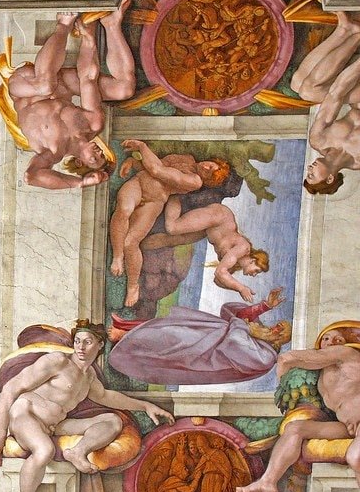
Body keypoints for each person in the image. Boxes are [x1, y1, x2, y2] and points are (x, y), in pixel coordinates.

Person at [0, 321, 173, 492]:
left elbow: (106, 397)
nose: (81, 347)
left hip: (54, 425)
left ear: (100, 345)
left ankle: (78, 451)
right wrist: (0, 433)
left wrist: (145, 406)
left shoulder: (89, 377)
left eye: (87, 342)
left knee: (112, 421)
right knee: (45, 450)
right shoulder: (58, 361)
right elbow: (10, 389)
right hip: (26, 415)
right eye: (77, 341)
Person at [9, 0, 135, 190]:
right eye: (102, 154)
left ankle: (63, 24)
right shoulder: (93, 123)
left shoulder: (54, 151)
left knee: (45, 86)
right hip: (61, 85)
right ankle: (112, 24)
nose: (99, 152)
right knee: (124, 89)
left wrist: (81, 183)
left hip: (27, 86)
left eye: (94, 159)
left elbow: (31, 176)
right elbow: (88, 79)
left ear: (79, 162)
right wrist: (88, 40)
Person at [236, 331, 360, 492]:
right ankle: (267, 481)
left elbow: (287, 358)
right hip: (348, 427)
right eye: (326, 338)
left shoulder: (346, 353)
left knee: (355, 456)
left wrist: (283, 375)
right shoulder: (322, 378)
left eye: (338, 339)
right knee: (295, 428)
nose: (332, 342)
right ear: (319, 343)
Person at [110, 139, 231, 307]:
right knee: (124, 209)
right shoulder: (187, 158)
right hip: (138, 183)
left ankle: (133, 285)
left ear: (207, 180)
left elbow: (157, 170)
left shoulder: (195, 181)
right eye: (210, 165)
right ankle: (117, 256)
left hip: (154, 201)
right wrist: (134, 163)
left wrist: (142, 147)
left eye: (208, 173)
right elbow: (158, 164)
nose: (206, 167)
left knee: (131, 241)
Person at [108, 288, 291, 385]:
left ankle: (123, 338)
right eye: (278, 325)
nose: (274, 328)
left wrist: (246, 328)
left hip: (204, 355)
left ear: (282, 341)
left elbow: (235, 345)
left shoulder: (266, 357)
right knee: (168, 326)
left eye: (280, 331)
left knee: (169, 336)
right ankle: (124, 328)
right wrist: (265, 306)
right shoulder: (263, 334)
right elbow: (239, 316)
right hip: (207, 335)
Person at [290, 11, 360, 195]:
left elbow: (336, 94)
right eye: (312, 175)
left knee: (299, 84)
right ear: (330, 178)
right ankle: (350, 31)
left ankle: (346, 31)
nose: (309, 169)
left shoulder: (318, 140)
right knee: (308, 90)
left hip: (356, 97)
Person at [159, 197, 268, 302]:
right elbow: (220, 272)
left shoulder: (234, 264)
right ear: (253, 260)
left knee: (174, 240)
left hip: (210, 230)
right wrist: (241, 288)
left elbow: (218, 280)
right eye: (257, 270)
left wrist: (237, 288)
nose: (254, 275)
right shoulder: (243, 248)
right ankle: (174, 195)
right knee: (172, 227)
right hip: (218, 218)